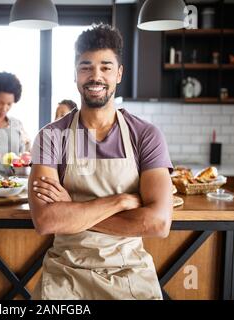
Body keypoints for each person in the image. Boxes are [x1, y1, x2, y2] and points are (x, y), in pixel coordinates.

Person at [29, 24, 173, 300]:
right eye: (86, 67)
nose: (96, 76)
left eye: (106, 67)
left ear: (119, 74)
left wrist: (72, 211)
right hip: (65, 275)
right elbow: (46, 221)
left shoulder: (145, 135)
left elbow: (158, 223)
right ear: (75, 75)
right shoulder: (51, 136)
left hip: (129, 272)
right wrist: (120, 201)